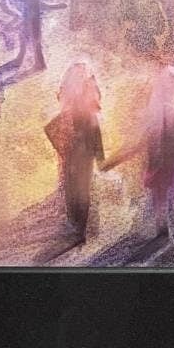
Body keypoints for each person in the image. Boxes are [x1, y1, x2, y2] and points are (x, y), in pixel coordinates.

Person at [103, 56, 174, 240]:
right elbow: (142, 141)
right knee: (172, 196)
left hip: (169, 158)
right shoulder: (167, 112)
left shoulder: (171, 111)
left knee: (167, 197)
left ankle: (170, 230)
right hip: (167, 158)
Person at [43, 61, 104, 240]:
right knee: (74, 186)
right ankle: (76, 226)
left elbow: (93, 125)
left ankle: (79, 228)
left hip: (81, 148)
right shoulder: (78, 96)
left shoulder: (87, 91)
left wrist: (99, 154)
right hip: (77, 148)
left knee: (79, 187)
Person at [12, 0, 67, 71]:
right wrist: (62, 5)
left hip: (29, 25)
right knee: (35, 45)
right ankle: (37, 63)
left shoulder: (28, 0)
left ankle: (28, 61)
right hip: (34, 25)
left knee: (26, 43)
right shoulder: (39, 3)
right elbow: (52, 6)